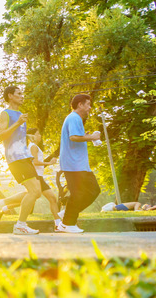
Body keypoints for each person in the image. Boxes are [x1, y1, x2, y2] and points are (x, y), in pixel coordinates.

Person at [0, 86, 42, 235]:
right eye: (19, 94)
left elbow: (15, 135)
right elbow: (0, 136)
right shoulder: (5, 114)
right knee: (34, 191)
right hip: (15, 158)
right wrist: (18, 123)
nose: (22, 96)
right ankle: (20, 225)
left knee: (36, 192)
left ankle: (1, 203)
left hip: (25, 156)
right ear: (10, 96)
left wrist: (28, 136)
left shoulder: (20, 114)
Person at [59, 93, 102, 233]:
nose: (90, 107)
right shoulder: (74, 117)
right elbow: (73, 137)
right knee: (86, 192)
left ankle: (66, 217)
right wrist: (92, 137)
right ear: (80, 104)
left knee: (90, 191)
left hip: (77, 164)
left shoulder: (74, 118)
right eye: (88, 104)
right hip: (74, 164)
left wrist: (87, 136)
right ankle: (67, 222)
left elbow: (77, 136)